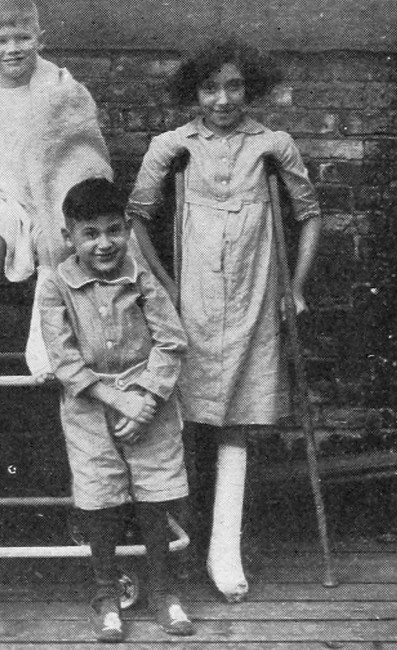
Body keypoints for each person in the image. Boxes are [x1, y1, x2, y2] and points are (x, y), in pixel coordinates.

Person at [127, 38, 323, 602]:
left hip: (253, 295)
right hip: (192, 303)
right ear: (194, 92)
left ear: (248, 88)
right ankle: (178, 544)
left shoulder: (272, 145)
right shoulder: (172, 146)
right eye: (210, 88)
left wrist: (295, 288)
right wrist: (165, 289)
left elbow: (310, 214)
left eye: (233, 86)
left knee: (237, 415)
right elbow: (136, 218)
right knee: (181, 417)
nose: (222, 99)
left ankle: (224, 550)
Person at [41, 178, 194, 642]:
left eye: (113, 230)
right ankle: (106, 594)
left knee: (155, 490)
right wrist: (116, 398)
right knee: (100, 493)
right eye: (89, 233)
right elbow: (64, 359)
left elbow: (172, 341)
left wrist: (146, 398)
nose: (103, 243)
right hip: (90, 406)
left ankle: (164, 591)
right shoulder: (55, 285)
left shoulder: (142, 278)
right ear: (69, 236)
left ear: (127, 229)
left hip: (149, 402)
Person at [0, 0, 113, 405]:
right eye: (1, 41)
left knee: (55, 235)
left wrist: (52, 205)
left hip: (50, 197)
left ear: (40, 40)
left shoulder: (58, 93)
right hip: (0, 201)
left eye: (23, 38)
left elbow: (77, 153)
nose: (13, 49)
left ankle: (49, 341)